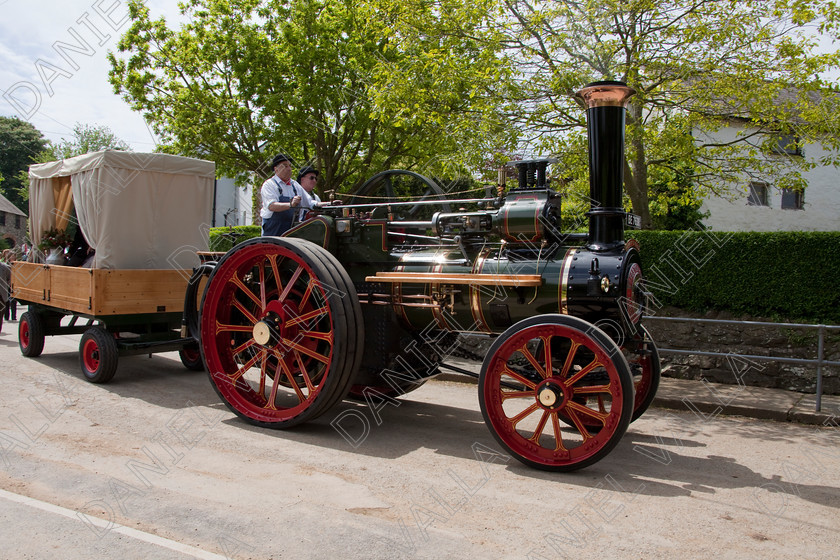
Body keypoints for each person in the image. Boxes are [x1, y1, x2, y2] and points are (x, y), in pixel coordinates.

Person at [260, 154, 303, 236]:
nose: (289, 169)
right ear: (276, 169)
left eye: (290, 166)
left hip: (291, 232)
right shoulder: (269, 184)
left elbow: (309, 202)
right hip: (273, 232)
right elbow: (271, 206)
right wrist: (291, 204)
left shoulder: (295, 185)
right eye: (285, 166)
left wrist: (328, 204)